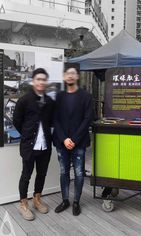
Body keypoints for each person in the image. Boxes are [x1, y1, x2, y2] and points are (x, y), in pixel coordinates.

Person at [13, 68, 54, 221]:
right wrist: (26, 134)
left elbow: (52, 120)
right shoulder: (24, 100)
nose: (41, 82)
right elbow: (17, 120)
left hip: (45, 146)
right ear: (33, 81)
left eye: (44, 79)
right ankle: (23, 204)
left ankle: (37, 199)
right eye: (39, 79)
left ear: (46, 82)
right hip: (29, 146)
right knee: (26, 175)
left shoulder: (49, 101)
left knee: (41, 174)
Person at [53, 64, 93, 216]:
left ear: (77, 76)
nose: (70, 76)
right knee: (64, 172)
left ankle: (76, 201)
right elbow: (55, 120)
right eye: (67, 73)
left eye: (73, 73)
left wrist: (74, 140)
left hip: (79, 142)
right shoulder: (59, 97)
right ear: (64, 77)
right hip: (61, 142)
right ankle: (65, 200)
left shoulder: (86, 96)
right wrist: (64, 139)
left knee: (79, 173)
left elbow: (87, 119)